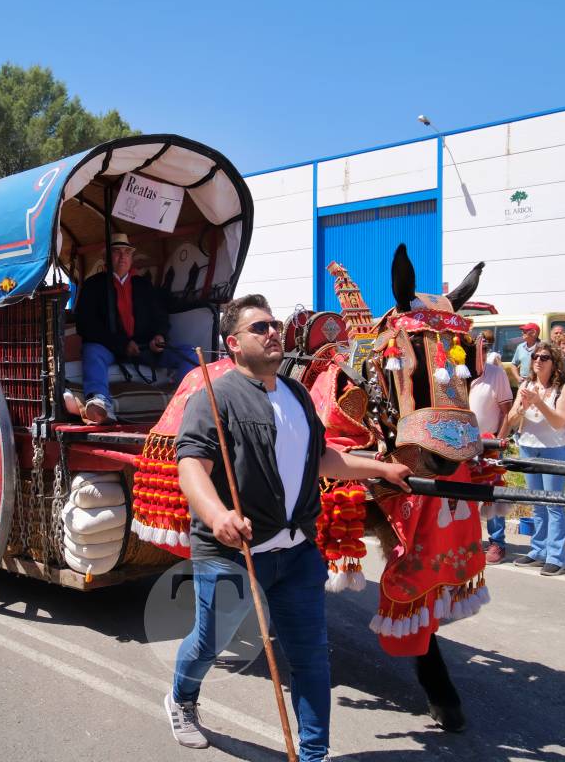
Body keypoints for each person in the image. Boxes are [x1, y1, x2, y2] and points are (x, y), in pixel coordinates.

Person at [168, 294, 413, 760]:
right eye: (259, 328)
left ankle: (314, 753)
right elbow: (192, 467)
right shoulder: (212, 398)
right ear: (233, 343)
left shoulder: (297, 395)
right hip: (234, 553)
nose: (273, 333)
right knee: (210, 641)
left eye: (275, 325)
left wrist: (380, 469)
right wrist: (218, 515)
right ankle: (181, 698)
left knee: (310, 656)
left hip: (297, 552)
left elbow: (322, 458)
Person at [73, 232, 195, 424]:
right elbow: (86, 325)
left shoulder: (143, 285)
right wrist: (121, 344)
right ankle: (99, 400)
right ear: (106, 257)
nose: (123, 257)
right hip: (110, 347)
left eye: (127, 252)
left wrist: (159, 335)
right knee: (92, 350)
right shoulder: (93, 286)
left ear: (131, 257)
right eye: (117, 252)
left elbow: (160, 316)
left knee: (189, 353)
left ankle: (184, 401)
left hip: (144, 347)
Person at [499, 340, 565, 575]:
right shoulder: (526, 384)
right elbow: (511, 420)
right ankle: (538, 551)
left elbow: (559, 422)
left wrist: (539, 402)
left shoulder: (564, 388)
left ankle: (556, 557)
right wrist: (521, 408)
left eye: (544, 357)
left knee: (554, 504)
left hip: (554, 449)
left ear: (554, 362)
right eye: (535, 357)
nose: (538, 361)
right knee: (537, 504)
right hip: (528, 448)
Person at [470, 349, 513, 563]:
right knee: (464, 493)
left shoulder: (497, 373)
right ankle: (469, 540)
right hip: (462, 442)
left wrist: (498, 441)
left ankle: (497, 542)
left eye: (481, 350)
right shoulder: (458, 371)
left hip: (489, 440)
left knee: (492, 492)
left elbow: (507, 410)